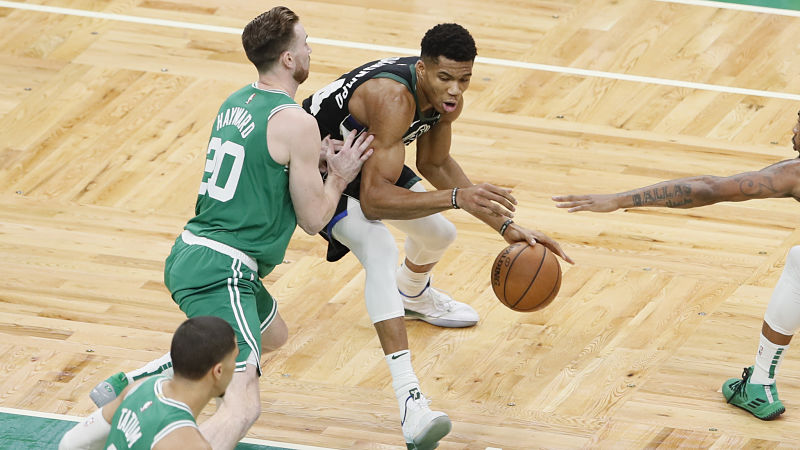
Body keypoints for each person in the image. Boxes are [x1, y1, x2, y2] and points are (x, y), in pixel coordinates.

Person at [87, 6, 373, 449]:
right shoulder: (298, 122)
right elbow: (314, 219)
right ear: (289, 60)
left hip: (192, 251)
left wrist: (310, 155)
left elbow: (260, 162)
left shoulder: (235, 102)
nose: (310, 48)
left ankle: (129, 384)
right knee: (243, 405)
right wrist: (338, 173)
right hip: (226, 269)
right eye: (304, 42)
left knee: (273, 333)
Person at [300, 23, 573, 448]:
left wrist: (506, 226)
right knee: (379, 247)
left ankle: (411, 294)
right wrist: (458, 196)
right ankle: (410, 401)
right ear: (423, 69)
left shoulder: (445, 102)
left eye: (464, 80)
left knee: (439, 233)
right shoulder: (393, 99)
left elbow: (436, 163)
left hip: (363, 156)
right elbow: (373, 202)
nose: (455, 91)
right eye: (445, 78)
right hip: (312, 169)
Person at [552, 110, 800, 421]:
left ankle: (760, 383)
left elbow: (707, 189)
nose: (793, 127)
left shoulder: (794, 175)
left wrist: (618, 200)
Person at [59, 316, 238, 449]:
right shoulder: (189, 443)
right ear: (218, 371)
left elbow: (70, 443)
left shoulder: (140, 387)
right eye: (235, 359)